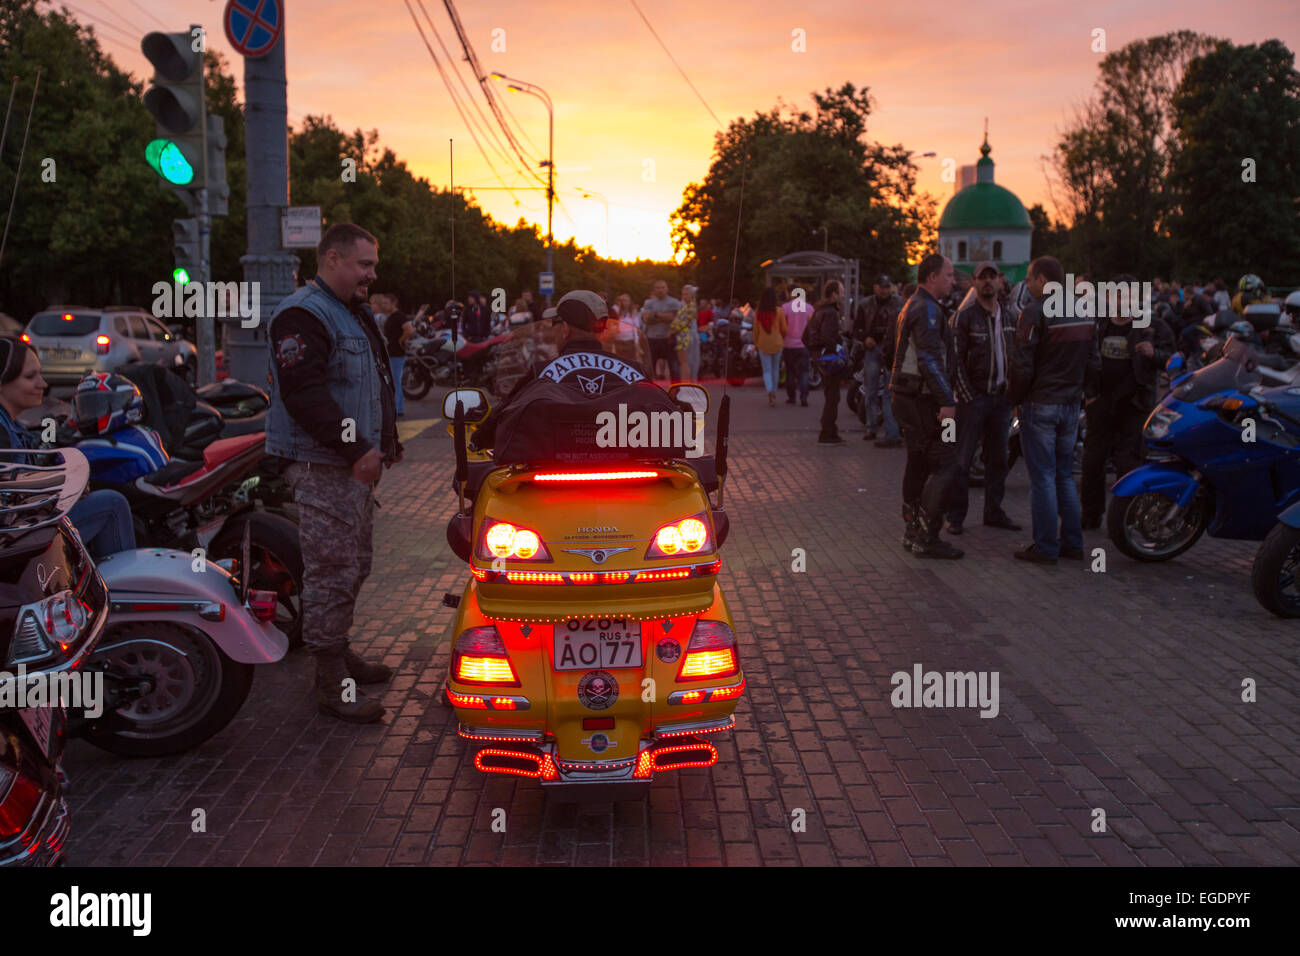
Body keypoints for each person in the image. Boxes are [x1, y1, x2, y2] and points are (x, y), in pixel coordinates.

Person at [266, 222, 402, 723]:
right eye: (364, 264)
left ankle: (337, 651)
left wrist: (383, 446)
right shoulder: (303, 314)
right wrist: (355, 448)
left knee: (354, 564)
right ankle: (329, 681)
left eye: (373, 265)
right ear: (331, 259)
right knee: (331, 572)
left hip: (351, 468)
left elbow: (373, 385)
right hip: (324, 465)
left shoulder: (350, 311)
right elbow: (304, 395)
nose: (372, 274)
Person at [0, 336, 137, 560]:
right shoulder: (2, 432)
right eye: (30, 377)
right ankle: (114, 592)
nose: (43, 384)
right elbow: (12, 501)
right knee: (113, 504)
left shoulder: (12, 424)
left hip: (24, 527)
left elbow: (37, 449)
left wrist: (55, 432)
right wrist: (64, 489)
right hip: (18, 539)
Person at [1008, 255, 1097, 564]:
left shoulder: (1033, 313)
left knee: (1044, 478)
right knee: (1063, 475)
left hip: (1041, 404)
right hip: (1071, 405)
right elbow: (1093, 361)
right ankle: (1072, 542)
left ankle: (1046, 546)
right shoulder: (1084, 310)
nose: (1028, 285)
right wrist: (1085, 393)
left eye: (1031, 279)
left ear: (1043, 280)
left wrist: (1015, 400)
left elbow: (1022, 366)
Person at [1079, 274, 1175, 529]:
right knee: (1092, 463)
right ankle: (1090, 517)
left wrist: (1156, 353)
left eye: (1128, 294)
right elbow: (1085, 359)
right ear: (1109, 297)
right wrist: (1089, 394)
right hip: (1101, 404)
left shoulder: (1151, 326)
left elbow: (1174, 356)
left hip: (1134, 405)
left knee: (1128, 465)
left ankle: (1123, 522)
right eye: (1118, 293)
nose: (1123, 299)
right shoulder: (1099, 324)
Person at [890, 254, 963, 559]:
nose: (954, 281)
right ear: (932, 276)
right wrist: (947, 400)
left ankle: (914, 532)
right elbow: (929, 359)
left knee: (918, 463)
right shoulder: (927, 310)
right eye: (949, 275)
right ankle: (926, 535)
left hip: (909, 398)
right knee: (946, 462)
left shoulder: (913, 305)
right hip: (921, 401)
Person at [945, 261, 1021, 535]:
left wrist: (1013, 394)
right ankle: (956, 517)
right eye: (982, 277)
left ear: (1000, 281)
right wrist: (968, 396)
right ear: (973, 283)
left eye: (992, 276)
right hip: (973, 400)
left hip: (1001, 401)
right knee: (962, 460)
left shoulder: (1011, 317)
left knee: (998, 460)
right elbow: (955, 362)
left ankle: (994, 512)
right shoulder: (965, 318)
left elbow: (1017, 358)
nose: (988, 282)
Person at [855, 274, 903, 446]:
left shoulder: (899, 303)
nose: (884, 290)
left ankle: (891, 432)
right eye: (881, 286)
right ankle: (872, 427)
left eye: (886, 286)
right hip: (873, 349)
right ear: (875, 287)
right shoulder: (865, 304)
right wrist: (865, 338)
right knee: (871, 392)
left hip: (891, 351)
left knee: (890, 394)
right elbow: (857, 328)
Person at [803, 279, 848, 444]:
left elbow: (805, 336)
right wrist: (837, 347)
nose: (843, 296)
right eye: (841, 292)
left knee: (830, 395)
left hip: (821, 359)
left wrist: (814, 353)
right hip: (830, 360)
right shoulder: (830, 313)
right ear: (834, 294)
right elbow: (829, 337)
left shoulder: (818, 310)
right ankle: (828, 431)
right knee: (833, 397)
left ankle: (828, 429)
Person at [642, 279, 683, 383]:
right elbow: (646, 320)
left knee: (674, 367)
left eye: (663, 287)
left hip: (669, 338)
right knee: (649, 368)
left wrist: (655, 315)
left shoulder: (674, 302)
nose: (661, 290)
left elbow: (673, 318)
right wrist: (664, 317)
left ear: (667, 289)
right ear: (654, 290)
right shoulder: (648, 303)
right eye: (658, 288)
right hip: (652, 339)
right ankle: (648, 392)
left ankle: (675, 392)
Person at [752, 287, 788, 406]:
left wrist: (756, 342)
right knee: (775, 369)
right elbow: (784, 329)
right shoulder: (779, 311)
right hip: (777, 343)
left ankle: (769, 391)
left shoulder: (758, 312)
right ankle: (774, 392)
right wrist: (780, 337)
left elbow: (755, 330)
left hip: (763, 343)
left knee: (766, 370)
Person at [381, 293, 412, 417]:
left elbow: (409, 329)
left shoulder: (399, 316)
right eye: (382, 303)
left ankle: (398, 409)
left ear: (393, 303)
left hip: (397, 354)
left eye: (386, 303)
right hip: (391, 353)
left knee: (396, 381)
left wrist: (400, 340)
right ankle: (396, 407)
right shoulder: (391, 316)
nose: (383, 305)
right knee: (393, 381)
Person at [781, 286, 812, 405]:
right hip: (804, 345)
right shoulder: (809, 308)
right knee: (804, 371)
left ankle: (792, 397)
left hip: (788, 344)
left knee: (790, 371)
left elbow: (783, 326)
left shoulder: (785, 308)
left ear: (790, 293)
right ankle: (804, 397)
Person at [671, 284, 699, 382]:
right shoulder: (686, 306)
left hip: (685, 337)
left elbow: (685, 322)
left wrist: (672, 331)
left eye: (687, 294)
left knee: (685, 362)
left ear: (692, 295)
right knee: (684, 362)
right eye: (683, 294)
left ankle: (687, 383)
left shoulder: (691, 306)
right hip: (683, 336)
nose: (684, 296)